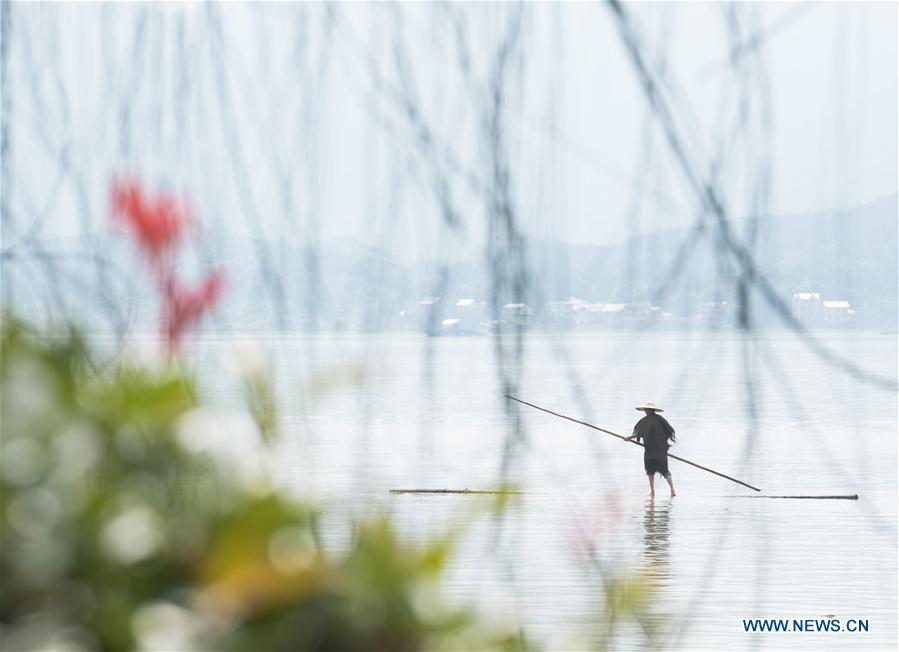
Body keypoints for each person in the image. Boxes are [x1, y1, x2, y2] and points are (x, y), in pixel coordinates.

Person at [624, 401, 676, 498]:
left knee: (650, 471)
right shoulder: (661, 419)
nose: (645, 411)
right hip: (661, 451)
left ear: (647, 410)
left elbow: (639, 433)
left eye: (645, 409)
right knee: (665, 471)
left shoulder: (645, 421)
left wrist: (629, 438)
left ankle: (652, 492)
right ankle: (672, 490)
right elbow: (669, 430)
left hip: (650, 451)